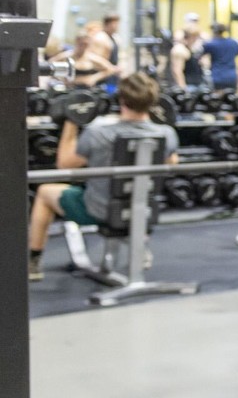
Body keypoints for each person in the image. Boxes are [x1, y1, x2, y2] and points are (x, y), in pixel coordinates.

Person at [28, 72, 179, 281]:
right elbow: (171, 163)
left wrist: (72, 121)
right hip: (144, 208)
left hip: (98, 209)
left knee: (45, 192)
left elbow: (64, 164)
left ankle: (33, 262)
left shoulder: (98, 133)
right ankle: (136, 243)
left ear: (122, 100)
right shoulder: (167, 134)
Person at [50, 29, 120, 89]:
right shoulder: (67, 56)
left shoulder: (92, 58)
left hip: (87, 90)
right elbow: (49, 65)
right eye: (81, 44)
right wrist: (61, 79)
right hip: (69, 90)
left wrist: (94, 78)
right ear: (77, 42)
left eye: (86, 45)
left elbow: (110, 69)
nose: (83, 47)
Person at [203, 22, 238, 92]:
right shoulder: (233, 43)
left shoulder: (211, 44)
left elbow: (200, 53)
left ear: (214, 32)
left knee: (218, 100)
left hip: (217, 77)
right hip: (232, 77)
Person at [170, 15, 205, 90]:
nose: (196, 39)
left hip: (197, 84)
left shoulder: (191, 48)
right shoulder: (180, 50)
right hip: (189, 86)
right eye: (195, 37)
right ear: (190, 37)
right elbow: (177, 71)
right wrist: (183, 89)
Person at [91, 13, 123, 91]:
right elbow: (96, 59)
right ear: (108, 24)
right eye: (114, 23)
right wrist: (110, 67)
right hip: (102, 75)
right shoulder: (100, 37)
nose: (116, 26)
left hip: (112, 74)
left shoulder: (115, 37)